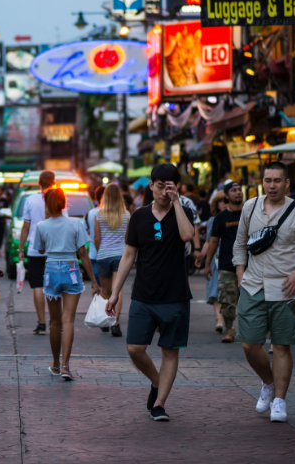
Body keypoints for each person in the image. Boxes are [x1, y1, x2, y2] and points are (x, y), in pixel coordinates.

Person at [106, 163, 195, 421]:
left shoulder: (183, 211)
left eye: (169, 187)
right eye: (159, 186)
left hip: (175, 295)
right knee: (135, 347)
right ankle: (157, 381)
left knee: (170, 350)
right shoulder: (139, 216)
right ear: (151, 185)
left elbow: (188, 236)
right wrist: (114, 292)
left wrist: (177, 202)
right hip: (143, 294)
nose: (163, 192)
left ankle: (159, 404)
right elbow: (128, 255)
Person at [232, 161, 295, 423]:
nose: (272, 185)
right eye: (268, 180)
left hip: (286, 287)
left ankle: (279, 400)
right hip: (253, 284)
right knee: (249, 343)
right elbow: (239, 245)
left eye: (277, 181)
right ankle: (268, 382)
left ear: (287, 183)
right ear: (262, 181)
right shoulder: (250, 206)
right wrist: (240, 276)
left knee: (281, 345)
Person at [34, 188, 99, 380]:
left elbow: (40, 250)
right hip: (71, 269)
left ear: (47, 204)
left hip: (52, 270)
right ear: (64, 204)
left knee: (55, 323)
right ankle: (65, 366)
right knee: (68, 320)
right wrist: (94, 282)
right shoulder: (76, 223)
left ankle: (54, 364)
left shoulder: (42, 226)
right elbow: (83, 253)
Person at [205, 182, 243, 343]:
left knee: (250, 300)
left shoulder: (248, 214)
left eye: (239, 190)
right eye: (234, 190)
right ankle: (229, 330)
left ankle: (251, 331)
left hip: (249, 265)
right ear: (227, 196)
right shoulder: (220, 218)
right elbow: (213, 242)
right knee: (227, 301)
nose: (238, 192)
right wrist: (207, 264)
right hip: (226, 265)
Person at [19, 170, 56, 336]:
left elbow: (25, 227)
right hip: (55, 249)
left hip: (34, 249)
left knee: (38, 286)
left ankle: (41, 324)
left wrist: (21, 249)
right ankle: (56, 321)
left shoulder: (30, 200)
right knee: (54, 286)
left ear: (39, 183)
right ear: (53, 182)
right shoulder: (59, 198)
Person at [94, 184, 130, 337]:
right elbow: (127, 238)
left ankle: (105, 320)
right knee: (118, 290)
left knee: (105, 291)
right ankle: (115, 323)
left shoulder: (99, 214)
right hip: (121, 256)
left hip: (103, 255)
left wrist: (100, 250)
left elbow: (97, 238)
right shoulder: (126, 214)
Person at [201, 190, 227, 333]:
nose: (223, 203)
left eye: (225, 200)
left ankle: (226, 319)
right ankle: (219, 320)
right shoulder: (213, 220)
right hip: (215, 258)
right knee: (215, 290)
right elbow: (208, 242)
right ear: (216, 204)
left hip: (230, 258)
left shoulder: (237, 218)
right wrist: (201, 257)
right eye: (221, 201)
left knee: (227, 290)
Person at [84, 186, 105, 287]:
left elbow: (85, 233)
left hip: (94, 254)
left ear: (96, 197)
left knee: (96, 288)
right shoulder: (113, 214)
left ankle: (96, 303)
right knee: (109, 289)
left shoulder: (89, 214)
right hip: (108, 255)